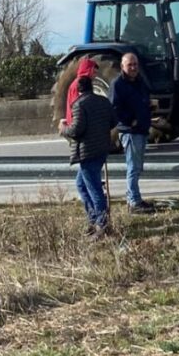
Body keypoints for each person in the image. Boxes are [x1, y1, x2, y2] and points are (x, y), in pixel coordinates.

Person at [58, 75, 117, 237]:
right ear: (91, 86)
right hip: (101, 150)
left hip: (87, 152)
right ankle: (93, 218)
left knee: (94, 189)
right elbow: (113, 122)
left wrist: (64, 129)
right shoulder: (104, 102)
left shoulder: (78, 105)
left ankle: (102, 225)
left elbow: (76, 130)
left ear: (78, 90)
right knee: (82, 185)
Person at [109, 52, 155, 214]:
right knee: (133, 167)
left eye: (135, 64)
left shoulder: (139, 81)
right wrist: (130, 121)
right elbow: (114, 109)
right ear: (122, 66)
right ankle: (134, 202)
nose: (134, 67)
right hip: (130, 132)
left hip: (141, 130)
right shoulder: (117, 85)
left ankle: (133, 198)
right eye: (130, 65)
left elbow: (141, 100)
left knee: (137, 166)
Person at [65, 57, 98, 125]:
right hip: (77, 124)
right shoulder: (78, 85)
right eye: (94, 72)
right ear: (88, 71)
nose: (95, 75)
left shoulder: (84, 84)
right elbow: (77, 108)